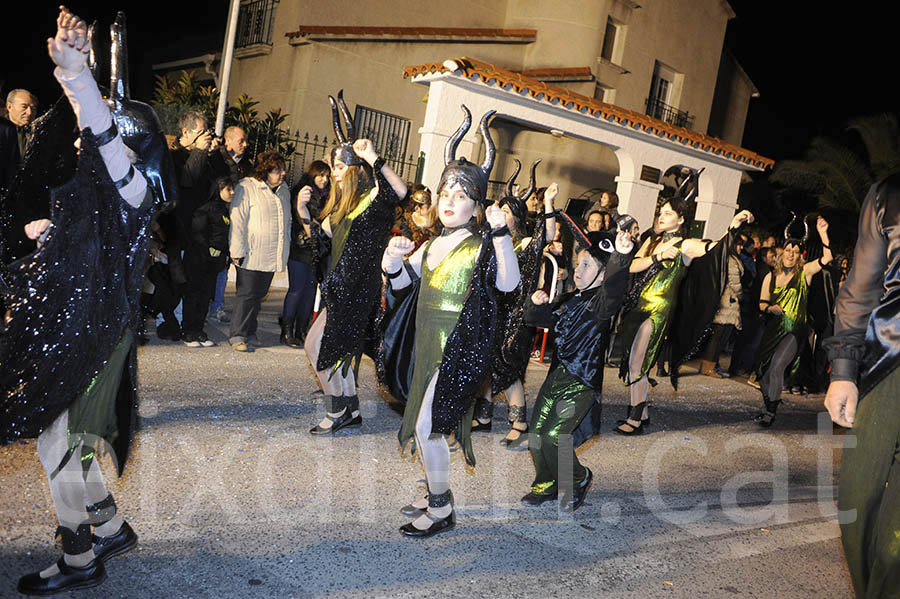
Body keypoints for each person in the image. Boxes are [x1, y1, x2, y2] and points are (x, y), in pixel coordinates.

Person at [1, 8, 177, 593]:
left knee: (56, 436)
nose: (83, 142)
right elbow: (91, 147)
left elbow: (105, 135)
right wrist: (41, 233)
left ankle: (80, 556)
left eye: (94, 136)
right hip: (77, 320)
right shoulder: (96, 186)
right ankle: (111, 526)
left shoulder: (133, 186)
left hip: (98, 330)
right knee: (68, 437)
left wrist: (79, 77)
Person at [382, 105, 519, 536]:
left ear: (477, 205)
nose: (449, 202)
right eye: (445, 194)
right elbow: (405, 285)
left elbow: (509, 283)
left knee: (427, 424)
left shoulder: (480, 244)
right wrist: (392, 264)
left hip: (457, 348)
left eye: (460, 196)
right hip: (425, 344)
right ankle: (431, 487)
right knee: (426, 424)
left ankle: (441, 508)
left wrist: (500, 235)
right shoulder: (431, 245)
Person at [615, 175, 753, 434]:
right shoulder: (652, 241)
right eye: (661, 212)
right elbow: (632, 265)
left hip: (660, 308)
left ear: (681, 219)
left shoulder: (686, 245)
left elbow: (716, 249)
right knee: (634, 360)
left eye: (668, 213)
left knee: (637, 362)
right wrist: (657, 256)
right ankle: (641, 412)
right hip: (637, 305)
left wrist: (732, 227)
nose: (662, 216)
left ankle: (634, 419)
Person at [304, 90, 407, 434]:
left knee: (318, 346)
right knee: (340, 350)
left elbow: (400, 192)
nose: (333, 172)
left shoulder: (373, 201)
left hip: (356, 288)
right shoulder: (339, 205)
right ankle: (348, 409)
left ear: (355, 169)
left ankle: (336, 411)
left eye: (338, 166)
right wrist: (304, 214)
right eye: (332, 165)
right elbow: (326, 247)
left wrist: (374, 157)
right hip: (338, 287)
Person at [823, 174, 900, 597]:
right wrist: (843, 371)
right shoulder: (888, 194)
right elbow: (860, 290)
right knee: (858, 508)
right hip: (888, 369)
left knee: (894, 549)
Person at [522, 228, 633, 510]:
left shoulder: (601, 304)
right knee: (536, 435)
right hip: (556, 378)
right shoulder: (572, 299)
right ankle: (546, 483)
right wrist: (535, 305)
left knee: (554, 437)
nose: (578, 270)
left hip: (580, 382)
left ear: (601, 273)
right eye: (578, 264)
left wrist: (620, 257)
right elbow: (542, 319)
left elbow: (615, 286)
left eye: (587, 266)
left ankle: (579, 478)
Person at [471, 160, 557, 449]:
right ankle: (483, 415)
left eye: (507, 212)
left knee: (508, 368)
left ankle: (519, 423)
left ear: (517, 218)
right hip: (494, 312)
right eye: (501, 209)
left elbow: (548, 234)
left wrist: (548, 202)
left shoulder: (526, 243)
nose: (502, 214)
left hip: (518, 314)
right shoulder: (492, 240)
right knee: (486, 362)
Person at [753, 214, 832, 426]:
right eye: (788, 250)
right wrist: (770, 307)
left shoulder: (805, 273)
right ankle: (768, 402)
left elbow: (827, 259)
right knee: (764, 372)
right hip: (773, 330)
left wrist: (823, 234)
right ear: (782, 252)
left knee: (778, 366)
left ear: (800, 256)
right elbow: (761, 303)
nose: (791, 254)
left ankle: (770, 412)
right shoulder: (770, 277)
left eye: (796, 252)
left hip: (794, 330)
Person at [227, 150, 290, 351]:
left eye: (283, 170)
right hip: (251, 252)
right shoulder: (247, 187)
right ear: (265, 171)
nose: (282, 174)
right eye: (277, 170)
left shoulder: (284, 191)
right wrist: (236, 249)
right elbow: (238, 219)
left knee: (259, 294)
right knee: (246, 294)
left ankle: (250, 332)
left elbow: (286, 224)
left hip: (271, 253)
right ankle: (237, 335)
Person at [280, 160, 330, 346]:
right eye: (320, 175)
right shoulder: (302, 192)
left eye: (326, 176)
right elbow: (299, 217)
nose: (324, 180)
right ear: (312, 175)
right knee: (296, 290)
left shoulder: (329, 197)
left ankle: (301, 329)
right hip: (301, 249)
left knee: (310, 292)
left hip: (320, 250)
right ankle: (287, 331)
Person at [181, 177, 233, 347]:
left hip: (213, 262)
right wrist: (207, 253)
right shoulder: (206, 209)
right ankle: (188, 331)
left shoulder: (226, 210)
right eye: (228, 189)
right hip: (198, 259)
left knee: (205, 296)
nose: (232, 193)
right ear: (218, 190)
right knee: (193, 295)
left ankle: (198, 330)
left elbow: (224, 238)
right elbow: (198, 234)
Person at [698, 235, 745, 377]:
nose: (741, 247)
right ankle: (708, 366)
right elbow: (734, 282)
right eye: (739, 244)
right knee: (718, 336)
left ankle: (712, 364)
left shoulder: (729, 258)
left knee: (720, 336)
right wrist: (740, 294)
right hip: (728, 301)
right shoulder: (730, 259)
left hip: (726, 301)